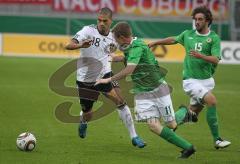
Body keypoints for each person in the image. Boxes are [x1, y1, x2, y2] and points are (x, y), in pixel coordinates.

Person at [95, 21, 196, 158]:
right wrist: (115, 57)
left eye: (116, 39)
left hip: (158, 89)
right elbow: (127, 57)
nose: (116, 43)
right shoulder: (131, 45)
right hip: (142, 92)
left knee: (171, 125)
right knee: (153, 126)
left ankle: (184, 112)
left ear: (123, 38)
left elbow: (130, 69)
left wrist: (108, 79)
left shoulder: (137, 46)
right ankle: (188, 148)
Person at [148, 6, 231, 149]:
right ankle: (217, 140)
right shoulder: (188, 34)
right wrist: (156, 42)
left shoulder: (214, 38)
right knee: (211, 100)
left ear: (208, 21)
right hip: (191, 81)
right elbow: (173, 40)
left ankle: (169, 128)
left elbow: (216, 59)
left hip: (207, 81)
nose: (197, 22)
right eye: (195, 19)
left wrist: (201, 56)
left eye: (200, 19)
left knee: (192, 112)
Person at [65, 7, 145, 148]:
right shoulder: (87, 31)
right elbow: (68, 45)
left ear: (110, 21)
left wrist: (127, 58)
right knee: (88, 113)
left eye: (105, 21)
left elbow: (122, 51)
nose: (101, 23)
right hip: (85, 80)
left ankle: (134, 136)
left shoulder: (114, 37)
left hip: (105, 75)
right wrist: (80, 45)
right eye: (99, 20)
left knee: (120, 101)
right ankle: (83, 121)